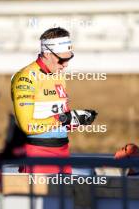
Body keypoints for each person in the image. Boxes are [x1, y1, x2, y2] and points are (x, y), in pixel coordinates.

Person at [11, 27, 97, 173]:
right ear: (47, 53)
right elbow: (28, 126)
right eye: (62, 59)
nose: (65, 65)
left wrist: (78, 119)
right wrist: (64, 119)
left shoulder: (59, 75)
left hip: (62, 151)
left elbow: (61, 121)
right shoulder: (26, 78)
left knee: (67, 195)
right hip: (37, 153)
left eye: (69, 58)